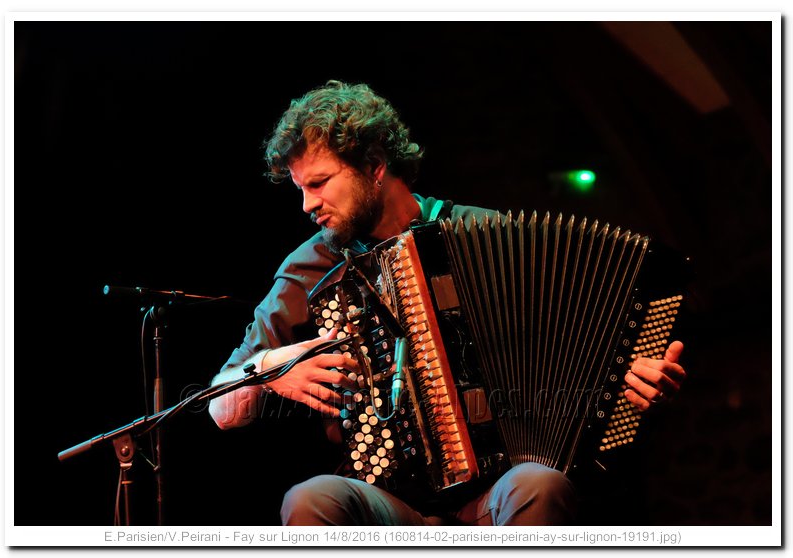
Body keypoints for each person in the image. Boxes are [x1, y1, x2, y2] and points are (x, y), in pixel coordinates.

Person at [208, 80, 687, 526]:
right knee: (311, 498)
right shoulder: (310, 267)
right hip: (389, 502)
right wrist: (269, 368)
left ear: (375, 166)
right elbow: (221, 410)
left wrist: (629, 377)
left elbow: (583, 346)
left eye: (319, 183)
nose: (307, 205)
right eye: (301, 189)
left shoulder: (490, 235)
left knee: (541, 485)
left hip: (503, 485)